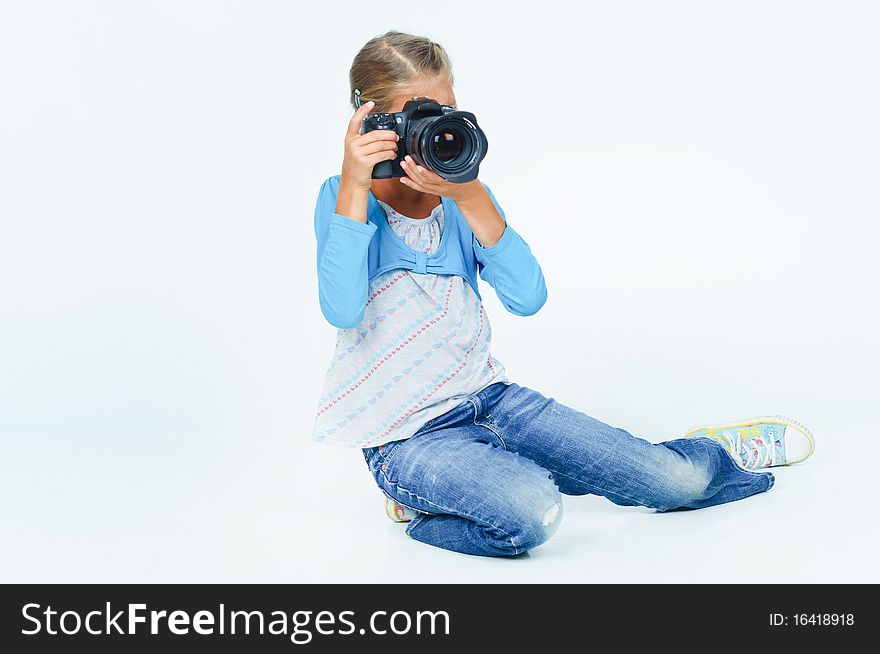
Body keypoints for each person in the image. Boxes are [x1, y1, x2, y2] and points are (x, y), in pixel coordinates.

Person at [311, 30, 814, 557]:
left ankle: (706, 454)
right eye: (418, 115)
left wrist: (472, 195)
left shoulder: (461, 197)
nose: (436, 130)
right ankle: (431, 497)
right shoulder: (343, 199)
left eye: (447, 110)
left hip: (491, 401)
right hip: (408, 438)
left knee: (678, 483)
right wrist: (354, 184)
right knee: (533, 513)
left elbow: (528, 297)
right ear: (370, 122)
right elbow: (342, 308)